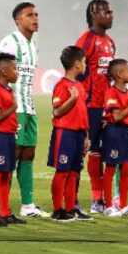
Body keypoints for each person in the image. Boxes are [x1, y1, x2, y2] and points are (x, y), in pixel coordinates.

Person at [0, 2, 48, 218]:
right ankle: (1, 206)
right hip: (11, 109)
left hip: (29, 107)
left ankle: (27, 205)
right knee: (11, 156)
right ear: (18, 20)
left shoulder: (33, 45)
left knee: (28, 154)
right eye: (29, 15)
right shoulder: (10, 42)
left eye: (36, 14)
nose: (35, 18)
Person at [75, 0, 115, 214]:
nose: (111, 15)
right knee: (82, 151)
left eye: (111, 12)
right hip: (88, 105)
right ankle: (71, 200)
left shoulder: (110, 42)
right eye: (106, 12)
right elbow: (76, 69)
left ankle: (98, 199)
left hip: (104, 106)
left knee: (100, 151)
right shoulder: (87, 39)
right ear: (94, 13)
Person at [49, 46, 92, 222]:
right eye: (84, 61)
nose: (85, 65)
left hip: (79, 134)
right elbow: (57, 111)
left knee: (74, 172)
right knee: (63, 171)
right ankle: (58, 210)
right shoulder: (62, 86)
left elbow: (82, 112)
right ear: (76, 64)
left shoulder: (79, 85)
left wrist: (87, 136)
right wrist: (72, 99)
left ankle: (70, 208)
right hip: (65, 133)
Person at [0, 53, 25, 227]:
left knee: (6, 175)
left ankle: (5, 212)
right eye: (14, 69)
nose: (17, 72)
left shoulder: (8, 89)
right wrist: (13, 108)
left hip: (8, 136)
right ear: (3, 71)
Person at [102, 59, 128, 217]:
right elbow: (115, 116)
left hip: (125, 132)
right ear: (119, 74)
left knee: (126, 169)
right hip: (113, 132)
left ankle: (124, 205)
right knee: (110, 169)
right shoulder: (111, 92)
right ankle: (108, 206)